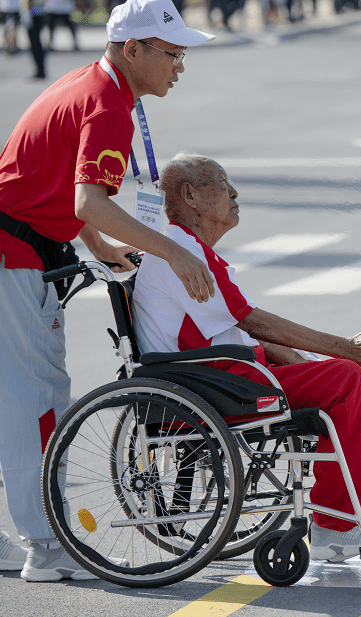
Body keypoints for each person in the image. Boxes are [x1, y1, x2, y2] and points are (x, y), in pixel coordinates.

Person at [0, 0, 216, 582]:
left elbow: (63, 189)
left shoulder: (88, 83)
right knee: (38, 400)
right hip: (13, 254)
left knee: (12, 398)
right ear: (134, 50)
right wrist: (172, 249)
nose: (179, 65)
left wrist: (95, 244)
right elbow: (87, 200)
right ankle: (47, 545)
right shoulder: (108, 105)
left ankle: (25, 535)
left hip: (19, 243)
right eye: (171, 53)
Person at [131, 153, 361, 562]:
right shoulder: (180, 255)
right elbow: (254, 324)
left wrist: (317, 359)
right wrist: (343, 348)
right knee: (345, 376)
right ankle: (337, 524)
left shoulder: (194, 251)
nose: (234, 192)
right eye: (221, 182)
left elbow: (243, 330)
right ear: (190, 196)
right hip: (206, 384)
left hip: (231, 371)